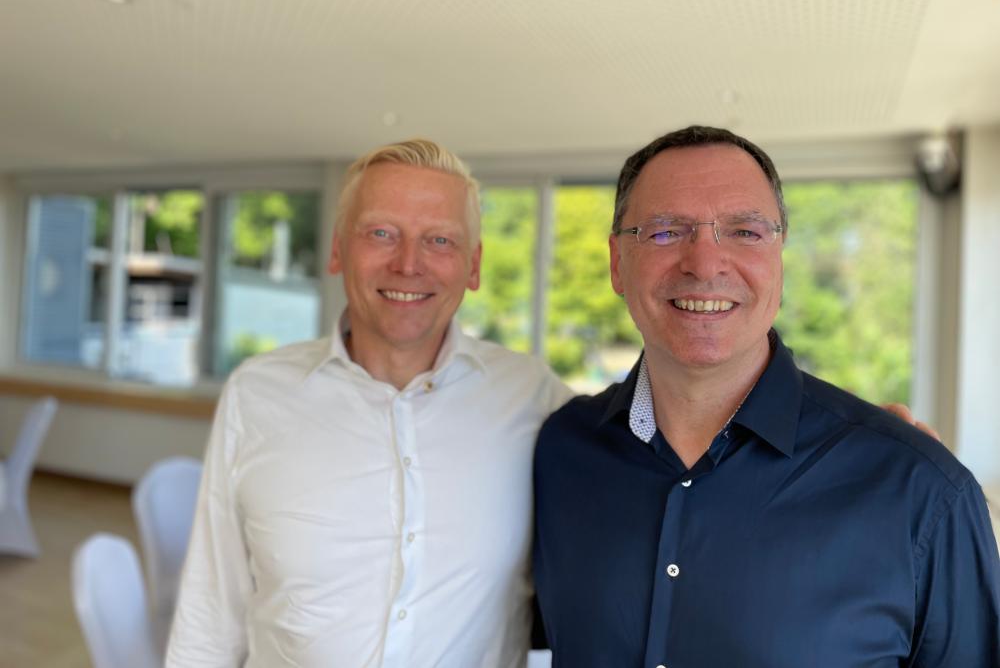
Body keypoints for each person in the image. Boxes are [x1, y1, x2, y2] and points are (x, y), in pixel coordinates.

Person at [532, 125, 1000, 667]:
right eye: (665, 231)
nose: (704, 263)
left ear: (779, 257)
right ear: (617, 262)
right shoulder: (559, 451)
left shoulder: (918, 490)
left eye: (744, 232)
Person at [166, 139, 572, 667]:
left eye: (440, 240)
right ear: (338, 251)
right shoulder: (255, 395)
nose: (408, 264)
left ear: (472, 266)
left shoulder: (533, 397)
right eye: (381, 233)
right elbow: (210, 614)